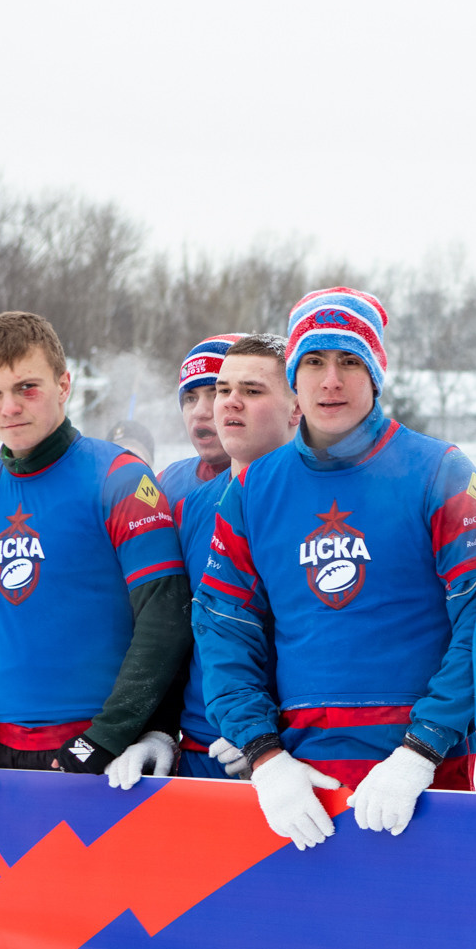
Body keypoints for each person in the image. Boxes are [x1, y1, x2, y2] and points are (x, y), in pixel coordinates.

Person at [195, 287, 476, 848]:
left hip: (422, 774)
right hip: (298, 779)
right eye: (314, 361)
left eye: (349, 361)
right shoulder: (254, 487)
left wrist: (420, 751)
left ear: (376, 374)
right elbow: (223, 627)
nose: (330, 380)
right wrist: (264, 756)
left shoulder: (440, 471)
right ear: (295, 377)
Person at [0, 312, 190, 783]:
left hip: (105, 753)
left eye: (27, 387)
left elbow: (165, 615)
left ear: (63, 384)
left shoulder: (118, 476)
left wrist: (111, 733)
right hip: (5, 751)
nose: (9, 407)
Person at [175, 334, 298, 780]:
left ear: (296, 407)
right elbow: (176, 631)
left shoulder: (322, 500)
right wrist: (156, 728)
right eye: (222, 390)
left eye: (249, 390)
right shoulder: (191, 505)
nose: (221, 404)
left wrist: (265, 730)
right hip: (201, 744)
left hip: (293, 746)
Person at [161, 334, 243, 504]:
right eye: (190, 398)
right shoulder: (167, 483)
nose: (199, 412)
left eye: (217, 394)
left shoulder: (286, 482)